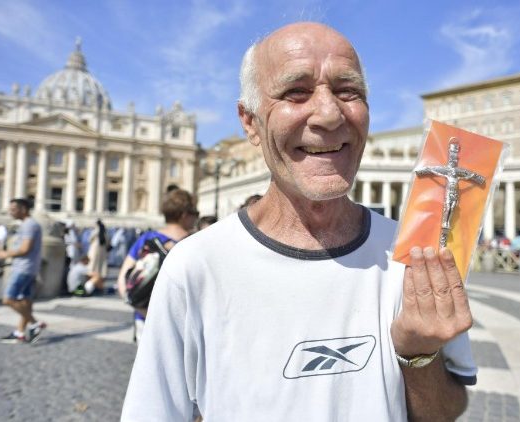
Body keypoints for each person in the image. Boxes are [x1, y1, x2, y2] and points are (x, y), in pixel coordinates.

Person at [122, 22, 476, 421]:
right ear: (250, 122)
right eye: (296, 92)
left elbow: (447, 411)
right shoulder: (193, 267)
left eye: (348, 91)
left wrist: (419, 355)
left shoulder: (416, 254)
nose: (328, 114)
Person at [116, 188, 198, 341]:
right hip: (182, 325)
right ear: (184, 215)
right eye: (195, 213)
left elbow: (123, 279)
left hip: (144, 319)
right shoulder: (195, 243)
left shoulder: (147, 238)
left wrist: (142, 310)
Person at [0, 198, 46, 344]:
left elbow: (25, 249)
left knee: (8, 299)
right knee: (25, 302)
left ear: (23, 209)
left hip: (24, 268)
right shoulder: (28, 225)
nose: (10, 212)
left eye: (13, 209)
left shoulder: (29, 225)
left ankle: (36, 324)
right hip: (30, 267)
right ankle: (20, 333)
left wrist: (5, 254)